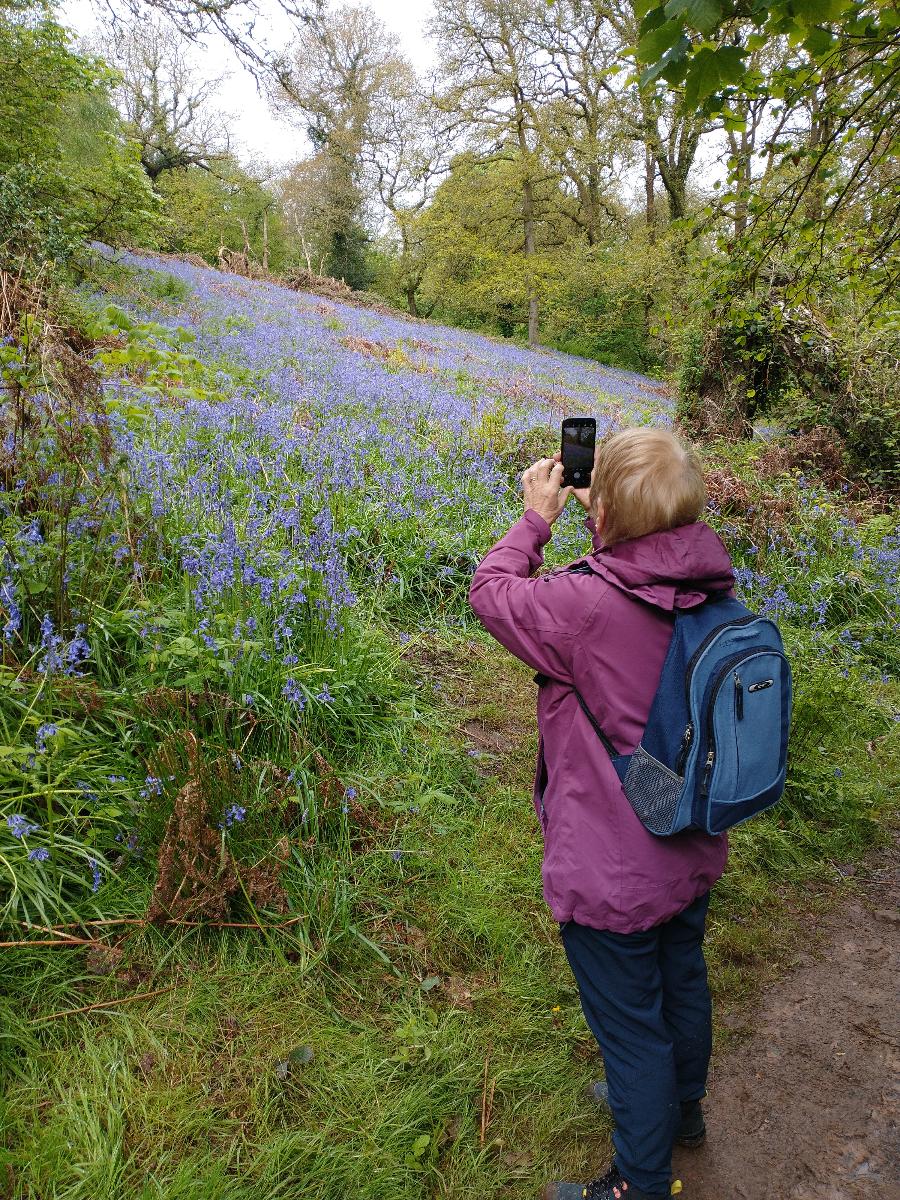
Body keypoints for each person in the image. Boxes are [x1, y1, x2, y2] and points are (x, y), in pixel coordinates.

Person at [468, 427, 735, 1200]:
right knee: (682, 977)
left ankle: (639, 1184)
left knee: (631, 1031)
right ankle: (683, 1113)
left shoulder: (584, 605)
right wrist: (610, 515)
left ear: (609, 509)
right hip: (688, 846)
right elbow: (642, 571)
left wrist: (536, 519)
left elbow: (492, 595)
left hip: (614, 868)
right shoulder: (711, 588)